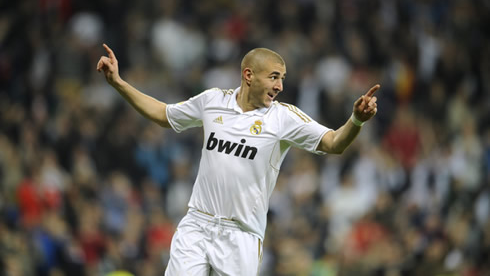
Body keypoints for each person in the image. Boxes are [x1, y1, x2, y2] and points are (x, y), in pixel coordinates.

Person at [96, 44, 380, 275]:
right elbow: (163, 114)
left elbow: (333, 143)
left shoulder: (283, 118)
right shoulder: (212, 101)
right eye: (274, 77)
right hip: (198, 222)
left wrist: (356, 120)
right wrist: (118, 83)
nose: (280, 85)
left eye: (282, 78)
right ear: (248, 75)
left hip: (241, 234)